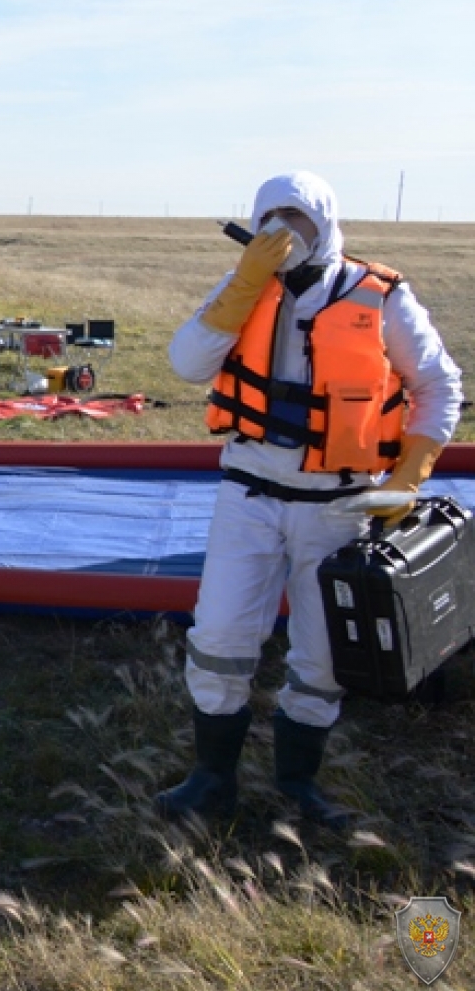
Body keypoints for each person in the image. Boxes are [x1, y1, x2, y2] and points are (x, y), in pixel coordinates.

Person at [158, 171, 462, 827]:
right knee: (219, 635)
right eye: (271, 218)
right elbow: (186, 363)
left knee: (323, 653)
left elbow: (438, 384)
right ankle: (212, 779)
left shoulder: (378, 294)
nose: (283, 232)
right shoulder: (244, 285)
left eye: (297, 219)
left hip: (339, 506)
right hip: (249, 496)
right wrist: (244, 284)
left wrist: (409, 478)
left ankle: (298, 784)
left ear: (324, 222)